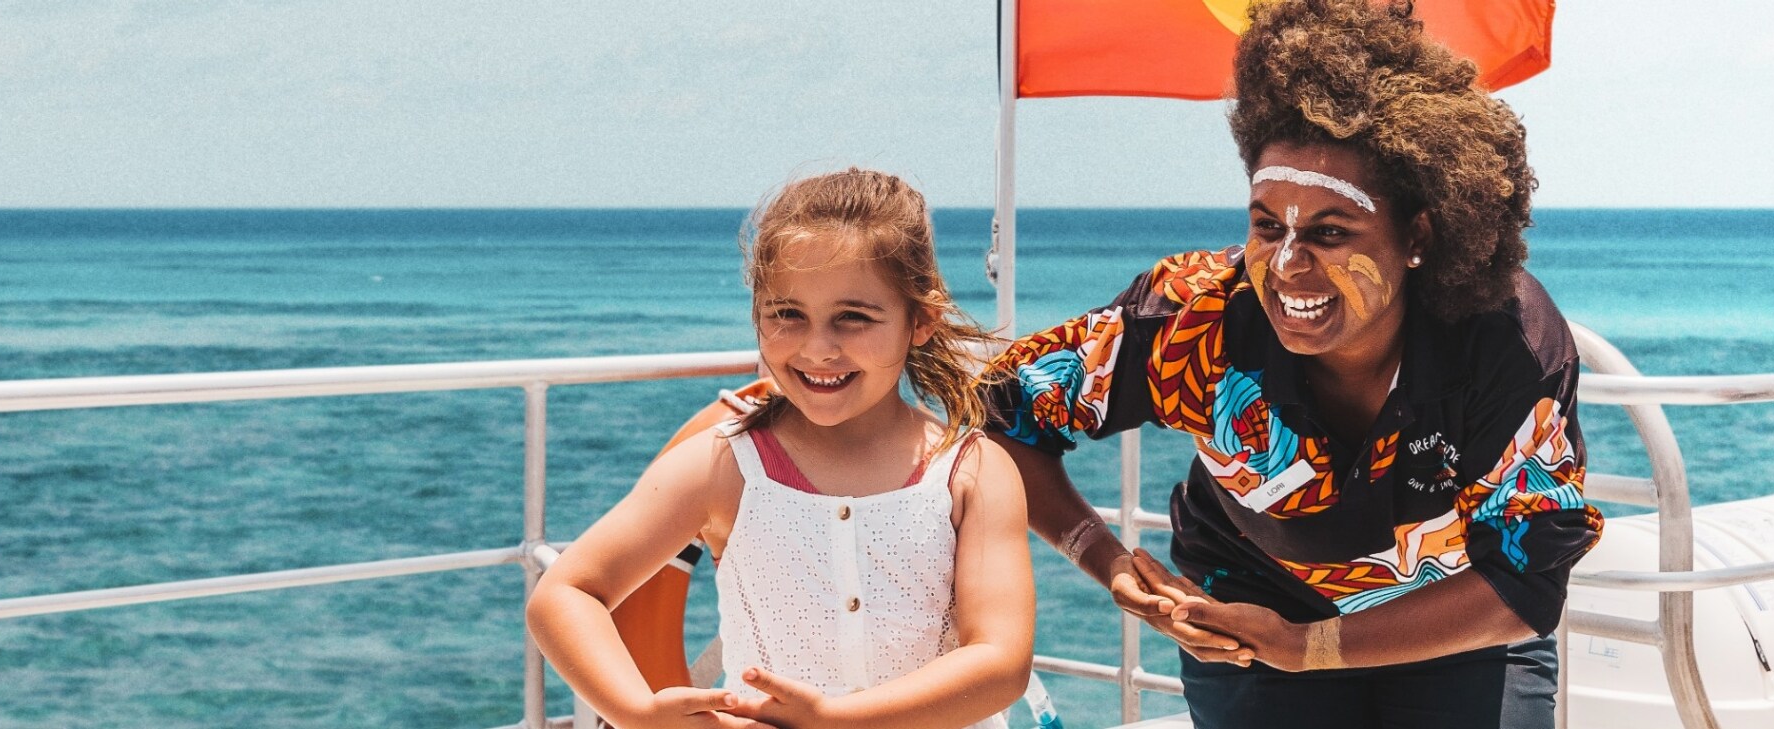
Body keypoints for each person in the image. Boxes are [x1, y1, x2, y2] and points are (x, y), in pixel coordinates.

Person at [982, 1, 1603, 727]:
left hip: (1456, 619)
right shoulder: (1198, 318)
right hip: (1250, 605)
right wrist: (1105, 558)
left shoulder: (1505, 342)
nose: (1286, 265)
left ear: (1418, 236)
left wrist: (1311, 647)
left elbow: (1525, 580)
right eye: (1266, 225)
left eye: (1331, 232)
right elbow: (1003, 412)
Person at [529, 168, 1034, 729]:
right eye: (787, 314)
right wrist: (637, 713)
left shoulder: (972, 471)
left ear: (920, 321)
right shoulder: (725, 466)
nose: (819, 349)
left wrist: (837, 719)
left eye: (854, 317)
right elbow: (566, 593)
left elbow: (1000, 662)